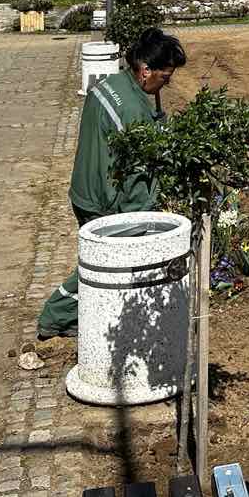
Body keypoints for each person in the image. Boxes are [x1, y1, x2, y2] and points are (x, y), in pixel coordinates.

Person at [37, 28, 186, 340]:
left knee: (101, 262)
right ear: (145, 70)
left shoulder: (112, 84)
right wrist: (144, 216)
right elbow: (135, 176)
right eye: (165, 77)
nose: (167, 84)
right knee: (104, 263)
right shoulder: (132, 110)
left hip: (84, 186)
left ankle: (85, 313)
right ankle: (56, 315)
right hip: (102, 200)